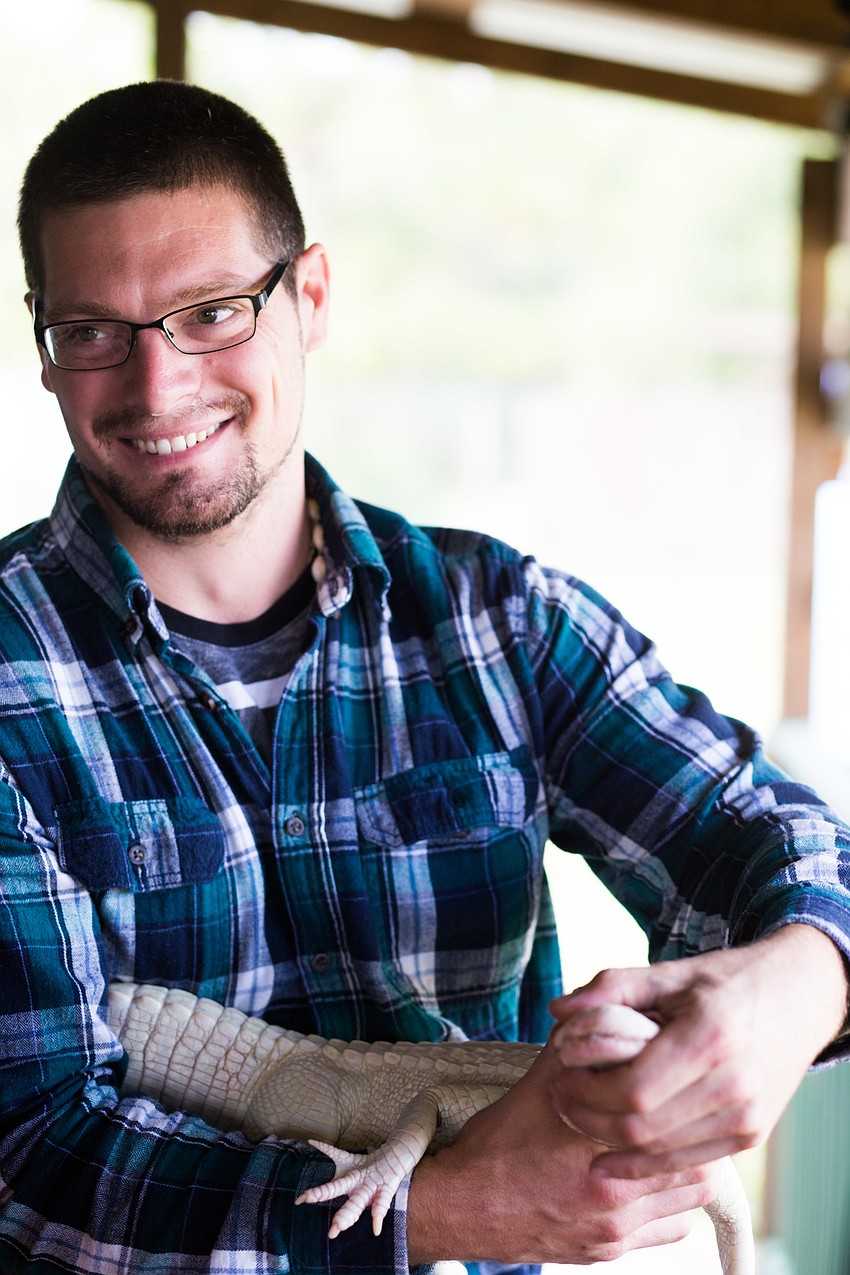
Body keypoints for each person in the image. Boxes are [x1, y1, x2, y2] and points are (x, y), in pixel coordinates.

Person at [0, 79, 848, 1275]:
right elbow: (30, 1158)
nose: (157, 387)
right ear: (43, 347)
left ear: (311, 298)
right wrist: (441, 1216)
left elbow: (764, 834)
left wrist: (799, 984)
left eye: (212, 311)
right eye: (93, 331)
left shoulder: (501, 618)